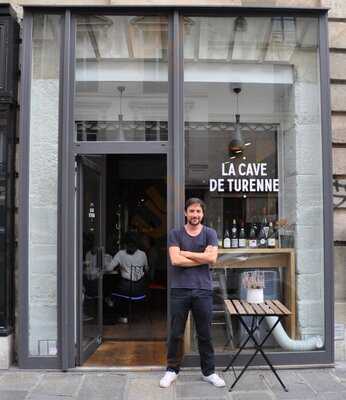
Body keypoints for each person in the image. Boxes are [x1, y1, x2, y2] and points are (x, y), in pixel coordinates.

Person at [159, 198, 225, 388]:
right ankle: (171, 371)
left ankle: (209, 372)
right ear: (186, 213)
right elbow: (175, 260)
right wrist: (201, 257)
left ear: (202, 214)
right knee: (175, 333)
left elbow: (212, 258)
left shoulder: (210, 233)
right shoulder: (175, 233)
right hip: (179, 289)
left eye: (198, 211)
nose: (195, 215)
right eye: (192, 211)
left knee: (205, 333)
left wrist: (186, 253)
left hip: (203, 289)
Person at [107, 232, 149, 323]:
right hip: (140, 291)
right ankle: (131, 313)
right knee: (124, 290)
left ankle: (122, 315)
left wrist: (119, 268)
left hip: (124, 290)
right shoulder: (143, 254)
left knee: (111, 292)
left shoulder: (120, 253)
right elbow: (146, 269)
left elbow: (109, 268)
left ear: (125, 244)